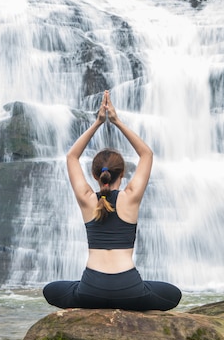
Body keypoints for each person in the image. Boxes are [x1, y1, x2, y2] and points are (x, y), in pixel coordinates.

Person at [43, 90, 182, 311]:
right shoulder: (131, 197)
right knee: (173, 294)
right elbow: (146, 154)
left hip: (90, 290)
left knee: (50, 289)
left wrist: (98, 123)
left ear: (95, 176)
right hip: (130, 290)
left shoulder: (87, 199)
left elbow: (71, 157)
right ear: (123, 174)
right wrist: (116, 121)